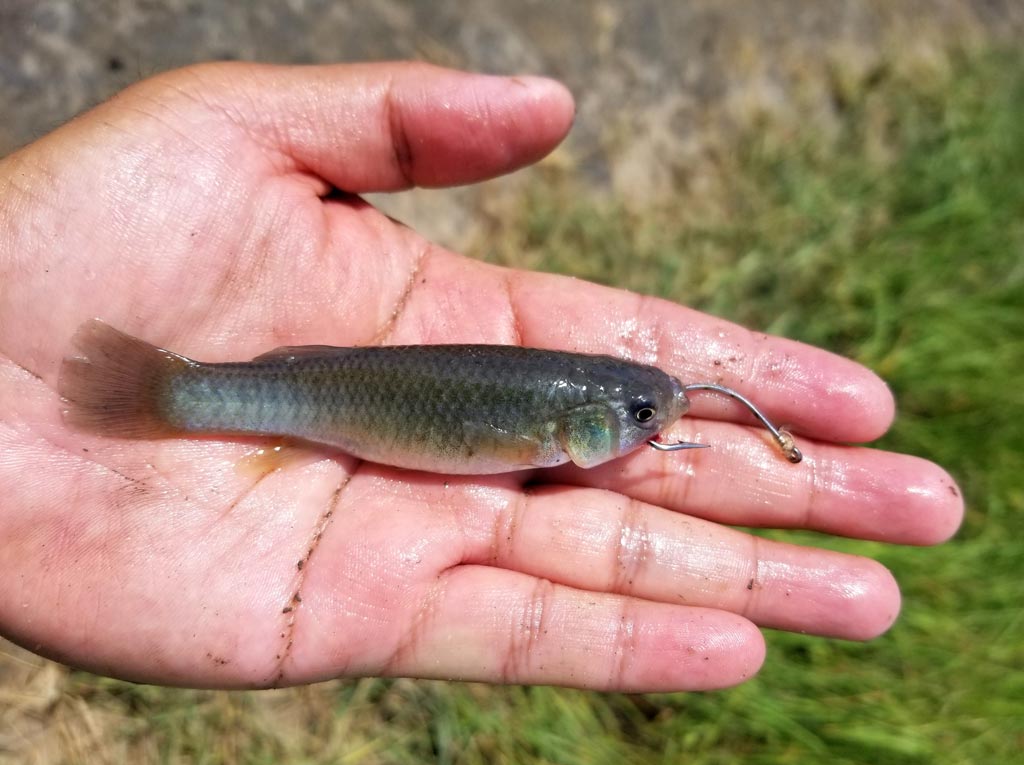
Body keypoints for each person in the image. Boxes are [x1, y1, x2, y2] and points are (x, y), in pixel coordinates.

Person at [0, 62, 962, 691]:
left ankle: (172, 395)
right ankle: (172, 394)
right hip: (272, 392)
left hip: (305, 396)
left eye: (639, 417)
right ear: (577, 425)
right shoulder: (547, 430)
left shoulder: (559, 426)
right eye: (632, 413)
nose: (640, 425)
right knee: (208, 389)